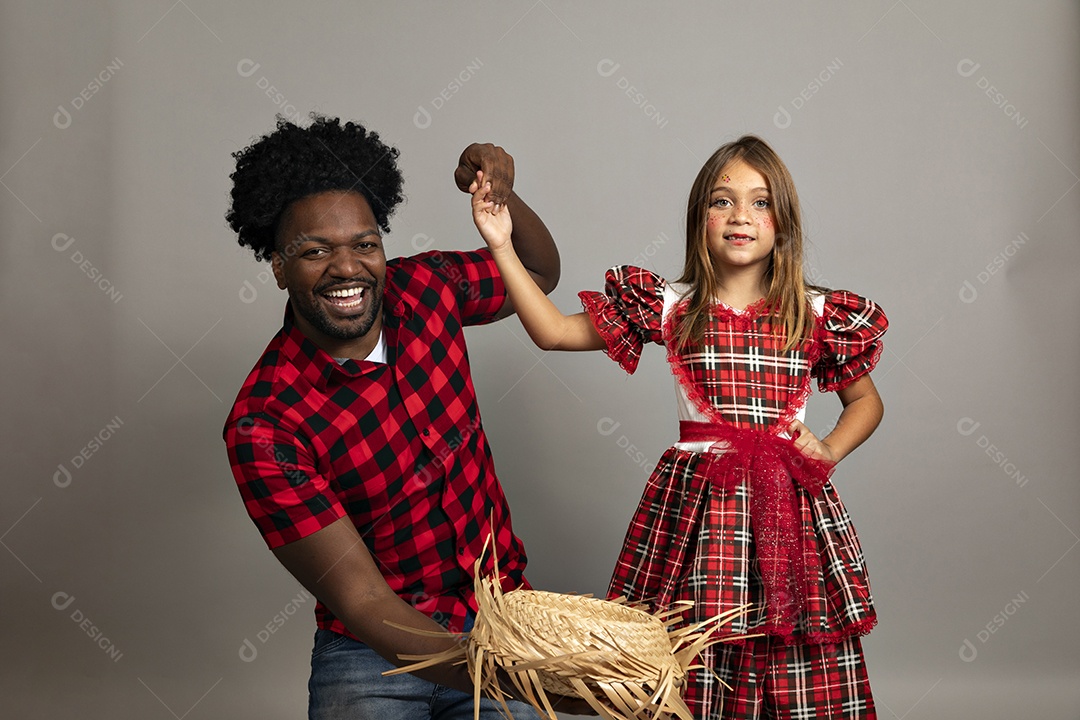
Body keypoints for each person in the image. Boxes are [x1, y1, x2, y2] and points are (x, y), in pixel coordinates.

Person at [469, 134, 888, 719]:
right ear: (699, 218)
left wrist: (829, 448)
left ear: (784, 223)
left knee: (794, 641)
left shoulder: (815, 312)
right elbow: (554, 332)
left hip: (788, 509)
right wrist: (501, 245)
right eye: (722, 201)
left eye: (760, 202)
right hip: (699, 509)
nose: (740, 216)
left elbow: (865, 402)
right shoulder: (670, 305)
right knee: (693, 642)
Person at [223, 115, 589, 719]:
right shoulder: (264, 425)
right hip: (372, 652)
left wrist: (503, 197)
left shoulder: (427, 288)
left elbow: (538, 273)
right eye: (315, 251)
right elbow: (364, 602)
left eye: (365, 244)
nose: (347, 267)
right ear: (279, 266)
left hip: (502, 619)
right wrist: (531, 682)